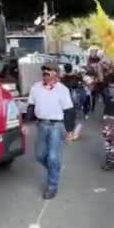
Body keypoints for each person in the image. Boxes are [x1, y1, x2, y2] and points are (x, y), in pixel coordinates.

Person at [27, 63, 75, 199]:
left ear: (55, 74)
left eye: (48, 72)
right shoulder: (36, 87)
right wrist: (26, 123)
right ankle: (54, 169)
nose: (45, 75)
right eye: (43, 72)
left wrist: (70, 131)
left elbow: (69, 111)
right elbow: (31, 105)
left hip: (56, 126)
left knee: (53, 156)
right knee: (39, 155)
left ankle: (52, 185)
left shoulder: (62, 90)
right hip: (41, 125)